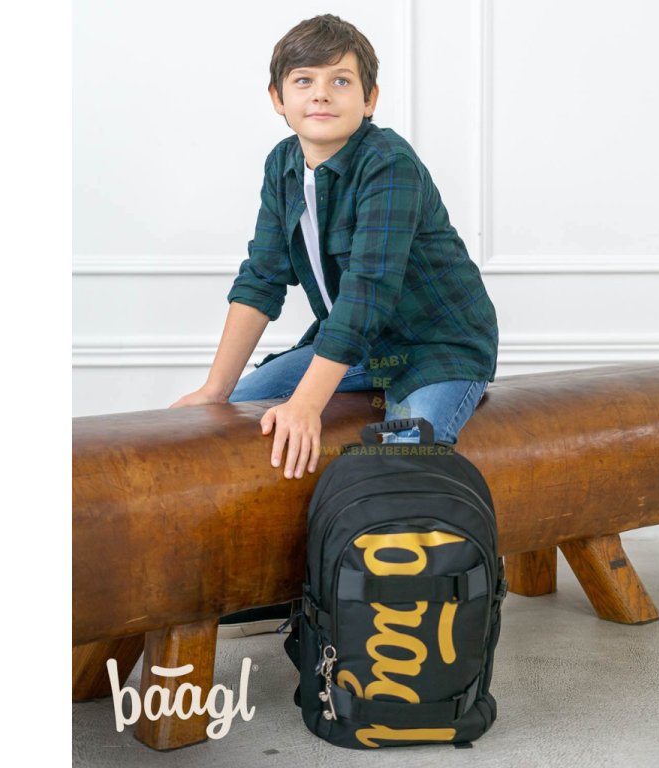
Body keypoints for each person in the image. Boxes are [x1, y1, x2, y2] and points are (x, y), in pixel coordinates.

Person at [169, 14, 498, 638]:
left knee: (403, 454)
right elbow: (261, 278)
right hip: (353, 346)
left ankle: (376, 610)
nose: (321, 93)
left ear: (369, 99)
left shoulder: (389, 164)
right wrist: (216, 388)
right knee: (236, 416)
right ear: (278, 98)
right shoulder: (282, 166)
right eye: (304, 80)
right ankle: (275, 586)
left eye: (341, 80)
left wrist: (306, 403)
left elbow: (368, 294)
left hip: (434, 347)